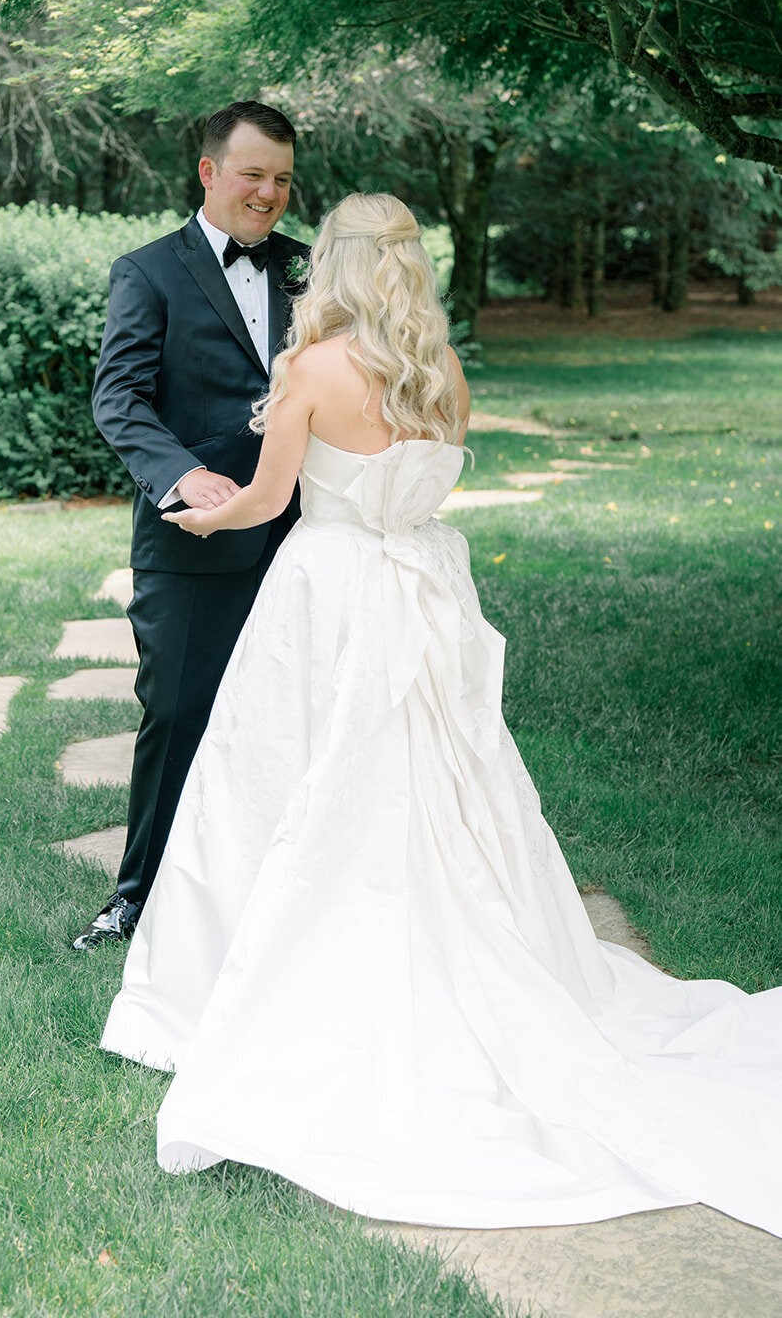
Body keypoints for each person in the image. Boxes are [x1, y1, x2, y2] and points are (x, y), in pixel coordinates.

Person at [100, 192, 782, 1237]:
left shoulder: (309, 368)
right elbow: (424, 495)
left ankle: (254, 975)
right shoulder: (441, 371)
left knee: (291, 771)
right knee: (440, 777)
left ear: (333, 264)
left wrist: (200, 515)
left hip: (329, 595)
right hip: (421, 592)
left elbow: (267, 500)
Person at [72, 101, 308, 951]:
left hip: (306, 536)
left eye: (282, 179)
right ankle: (136, 899)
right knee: (176, 713)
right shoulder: (147, 272)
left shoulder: (310, 270)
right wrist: (182, 475)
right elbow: (118, 398)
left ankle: (279, 899)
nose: (268, 193)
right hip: (191, 538)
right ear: (208, 172)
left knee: (296, 715)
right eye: (252, 175)